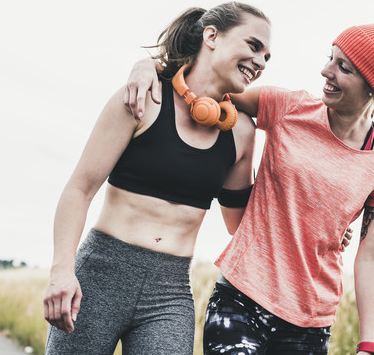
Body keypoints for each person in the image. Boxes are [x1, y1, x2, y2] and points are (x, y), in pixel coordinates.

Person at [124, 24, 374, 354]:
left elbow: (369, 259)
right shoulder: (291, 107)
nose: (326, 71)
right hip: (240, 301)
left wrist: (368, 344)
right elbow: (209, 85)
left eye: (344, 67)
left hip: (310, 322)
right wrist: (148, 66)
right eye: (331, 58)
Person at [43, 2, 272, 355]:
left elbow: (238, 223)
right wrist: (62, 269)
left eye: (267, 57)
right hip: (100, 276)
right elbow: (80, 188)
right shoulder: (142, 98)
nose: (260, 62)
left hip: (170, 291)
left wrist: (317, 217)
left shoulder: (241, 132)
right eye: (253, 46)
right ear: (211, 36)